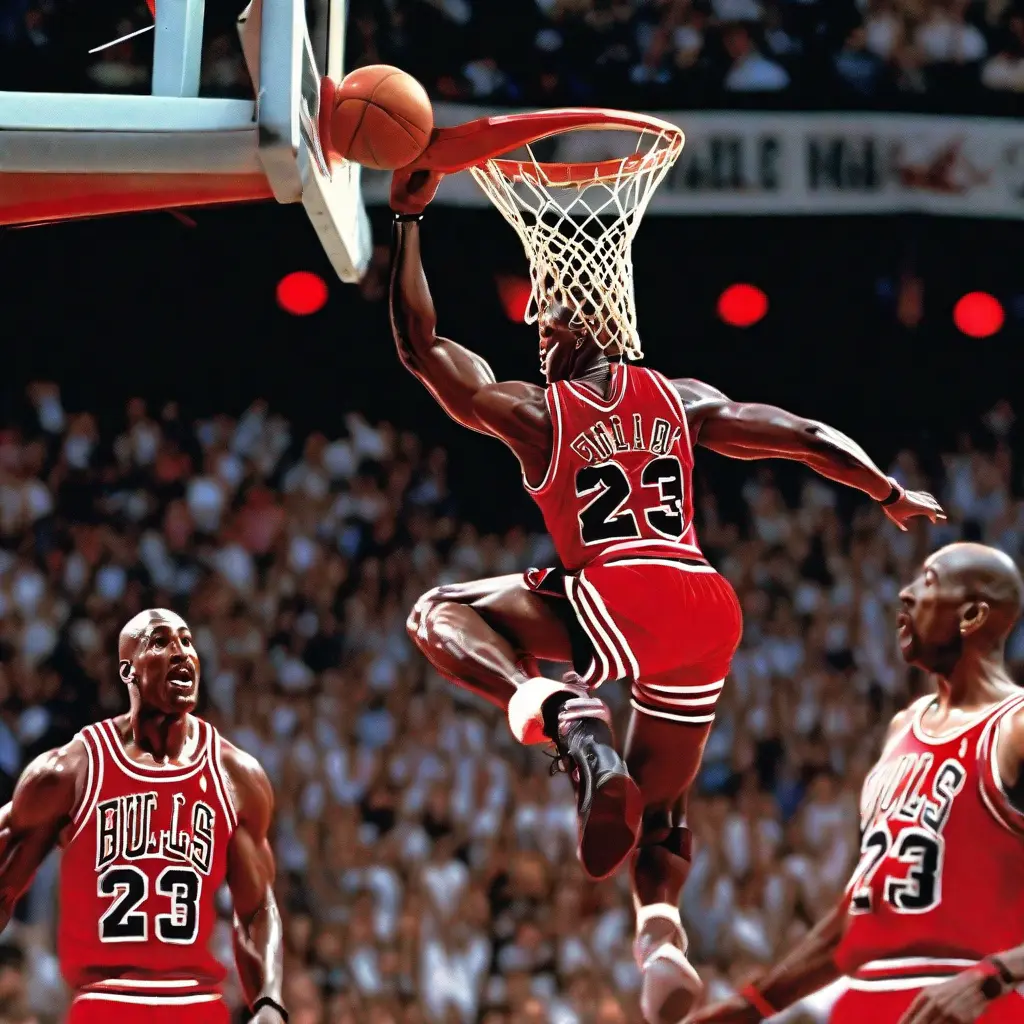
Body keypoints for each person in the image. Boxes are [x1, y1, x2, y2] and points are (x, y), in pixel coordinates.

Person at [388, 168, 945, 1023]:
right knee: (662, 806)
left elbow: (420, 348)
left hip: (622, 589)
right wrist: (887, 491)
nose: (538, 327)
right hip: (707, 608)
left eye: (550, 316)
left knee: (438, 612)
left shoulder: (537, 412)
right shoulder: (684, 401)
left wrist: (408, 223)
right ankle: (662, 938)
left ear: (592, 324)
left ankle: (561, 715)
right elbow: (800, 435)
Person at [687, 542, 1024, 1024]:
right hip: (866, 999)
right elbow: (857, 916)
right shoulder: (902, 729)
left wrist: (995, 975)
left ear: (972, 614)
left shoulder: (1015, 724)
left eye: (928, 582)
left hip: (970, 1000)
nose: (906, 593)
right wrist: (749, 1006)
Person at [0, 608, 286, 1024]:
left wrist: (269, 999)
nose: (180, 652)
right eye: (161, 642)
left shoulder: (236, 777)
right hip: (105, 1001)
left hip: (194, 1003)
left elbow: (257, 908)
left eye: (187, 641)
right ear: (128, 672)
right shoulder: (73, 770)